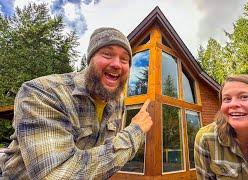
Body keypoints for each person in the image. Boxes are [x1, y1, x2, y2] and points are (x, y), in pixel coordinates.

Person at [0, 27, 153, 179]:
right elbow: (58, 173)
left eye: (124, 59)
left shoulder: (117, 102)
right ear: (90, 59)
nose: (117, 64)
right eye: (107, 54)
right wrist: (135, 132)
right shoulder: (43, 92)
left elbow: (104, 158)